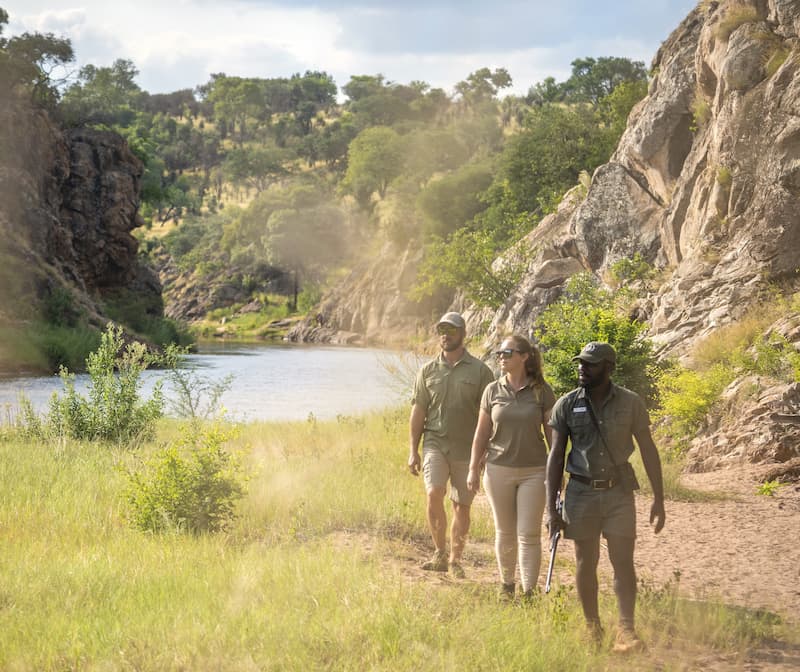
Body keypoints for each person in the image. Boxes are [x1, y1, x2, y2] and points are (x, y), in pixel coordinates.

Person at [545, 342, 665, 653]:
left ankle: (626, 629)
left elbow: (649, 451)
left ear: (608, 367)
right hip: (581, 492)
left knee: (622, 561)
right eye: (581, 363)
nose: (583, 368)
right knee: (586, 561)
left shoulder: (631, 403)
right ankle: (592, 626)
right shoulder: (567, 404)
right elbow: (556, 457)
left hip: (618, 493)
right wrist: (551, 508)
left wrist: (659, 498)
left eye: (591, 364)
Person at [467, 335, 555, 599]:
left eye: (507, 353)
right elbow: (481, 434)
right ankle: (507, 586)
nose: (502, 357)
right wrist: (473, 468)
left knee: (528, 533)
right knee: (504, 531)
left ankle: (529, 593)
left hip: (535, 471)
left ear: (524, 357)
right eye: (499, 354)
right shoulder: (492, 390)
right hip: (498, 469)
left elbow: (553, 435)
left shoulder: (542, 391)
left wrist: (556, 471)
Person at [408, 312, 495, 578]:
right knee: (434, 493)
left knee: (461, 505)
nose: (445, 335)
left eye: (451, 330)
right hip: (434, 442)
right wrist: (413, 450)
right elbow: (418, 411)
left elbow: (492, 413)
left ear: (463, 333)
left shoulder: (481, 371)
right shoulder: (427, 370)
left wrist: (484, 452)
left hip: (467, 449)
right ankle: (439, 553)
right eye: (442, 330)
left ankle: (455, 561)